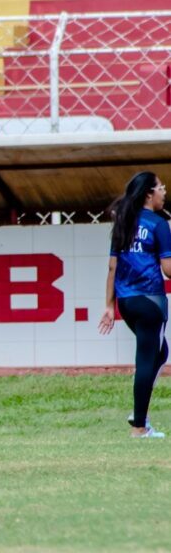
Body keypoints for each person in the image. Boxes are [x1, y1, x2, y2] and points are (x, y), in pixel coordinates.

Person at [99, 171, 171, 438]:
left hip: (127, 303)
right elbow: (168, 269)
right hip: (151, 300)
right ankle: (139, 425)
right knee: (146, 359)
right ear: (149, 194)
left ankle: (140, 413)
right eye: (161, 188)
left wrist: (109, 306)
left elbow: (112, 267)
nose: (164, 192)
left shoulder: (124, 224)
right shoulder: (158, 224)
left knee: (160, 353)